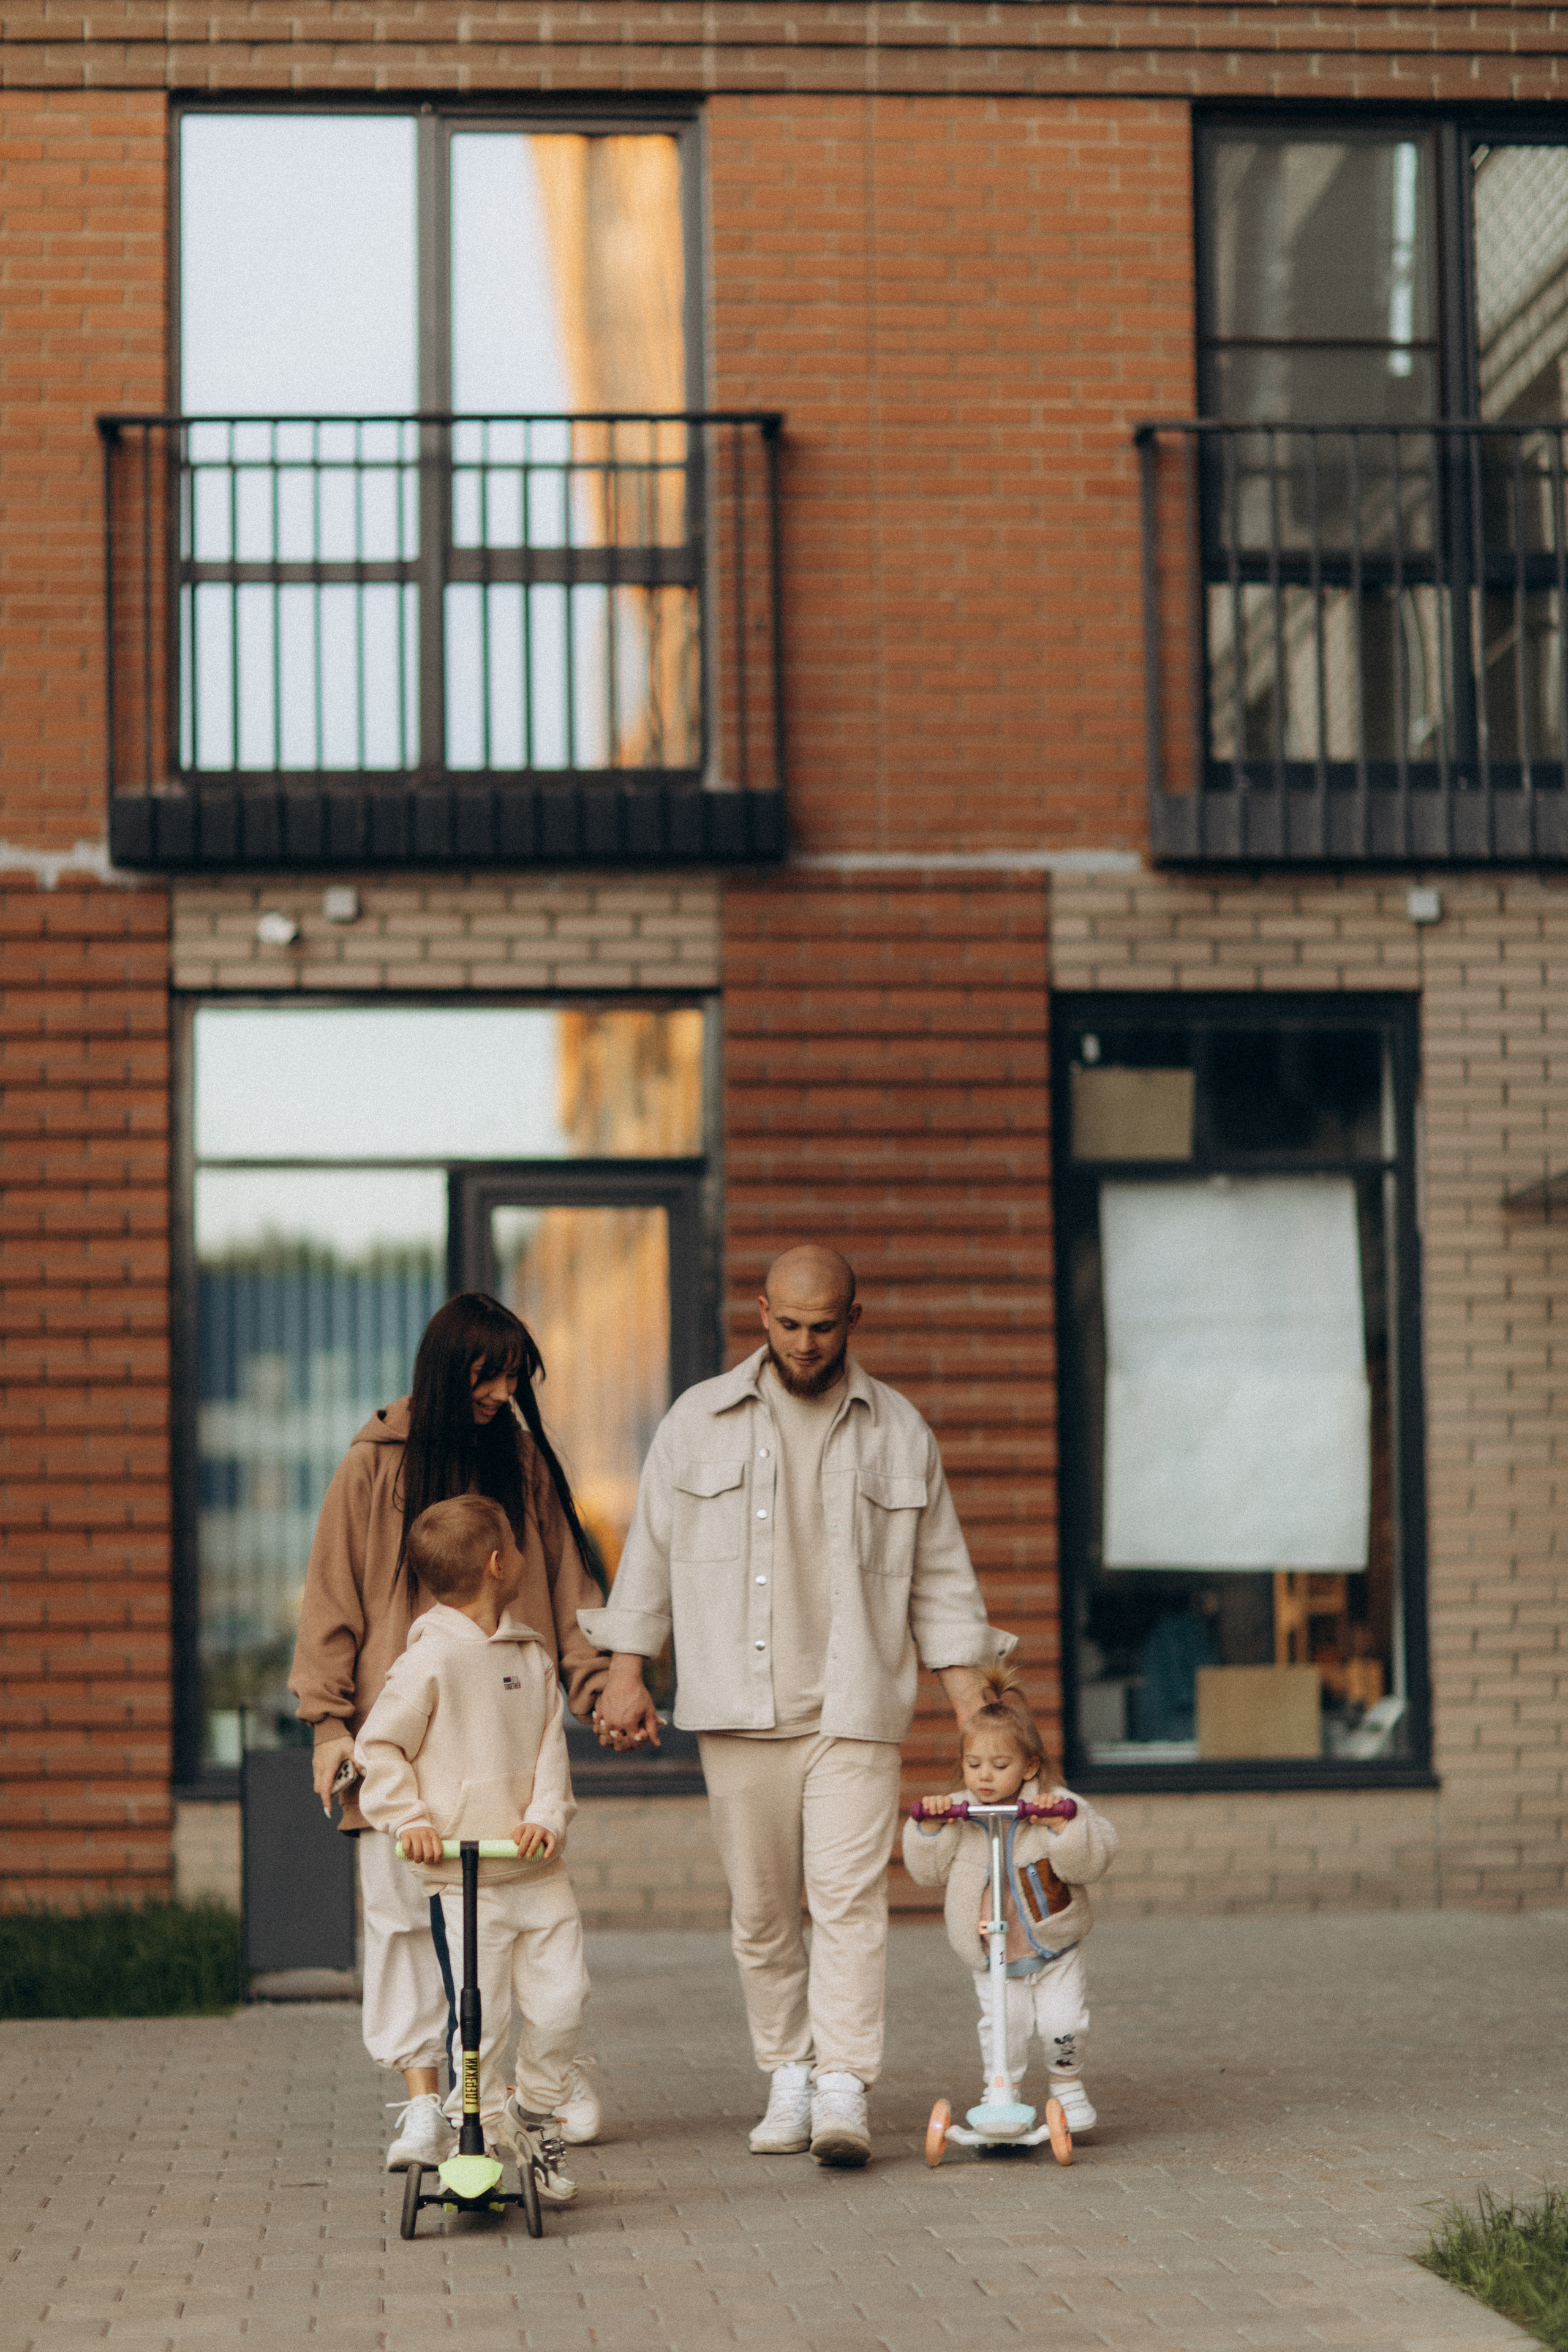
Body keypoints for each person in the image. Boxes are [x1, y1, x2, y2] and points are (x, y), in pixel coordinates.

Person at [584, 1243, 1015, 2168]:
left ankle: (843, 2087)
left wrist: (980, 1709)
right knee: (763, 1911)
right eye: (788, 1324)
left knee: (850, 1903)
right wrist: (627, 1671)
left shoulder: (900, 1433)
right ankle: (788, 2069)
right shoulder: (696, 1422)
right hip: (737, 1708)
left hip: (854, 1706)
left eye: (824, 1326)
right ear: (761, 1313)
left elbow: (942, 1583)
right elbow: (649, 1557)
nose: (806, 1343)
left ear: (854, 1319)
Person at [288, 1292, 610, 2174]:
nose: (504, 1389)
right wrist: (327, 1726)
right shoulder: (375, 1465)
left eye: (515, 1375)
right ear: (446, 1369)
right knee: (399, 1926)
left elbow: (570, 1588)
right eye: (488, 1372)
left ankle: (522, 2093)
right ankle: (424, 2102)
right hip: (398, 1744)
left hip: (499, 1743)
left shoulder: (523, 1462)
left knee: (514, 1928)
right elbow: (331, 1599)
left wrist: (599, 1684)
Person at [355, 1493, 585, 2206]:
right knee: (483, 2015)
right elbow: (380, 1746)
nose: (521, 1556)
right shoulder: (427, 1662)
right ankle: (473, 2129)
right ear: (497, 1564)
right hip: (466, 1874)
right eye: (516, 1545)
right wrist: (408, 1819)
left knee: (564, 2001)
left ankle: (536, 2116)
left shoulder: (530, 1657)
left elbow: (551, 1747)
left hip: (536, 1868)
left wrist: (547, 1812)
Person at [902, 1662, 1117, 2132]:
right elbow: (927, 1872)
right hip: (992, 1951)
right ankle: (1003, 2092)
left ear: (1030, 1765)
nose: (985, 1778)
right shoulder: (961, 1813)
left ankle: (1067, 2086)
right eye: (973, 1765)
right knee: (1005, 2027)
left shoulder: (1057, 1805)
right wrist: (930, 1827)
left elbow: (1090, 1863)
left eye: (1000, 1767)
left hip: (1052, 1946)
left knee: (1063, 2023)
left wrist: (1064, 1827)